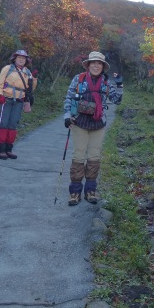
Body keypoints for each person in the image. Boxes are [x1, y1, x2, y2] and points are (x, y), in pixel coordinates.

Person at [63, 51, 123, 205]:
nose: (96, 66)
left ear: (103, 67)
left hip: (98, 124)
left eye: (99, 63)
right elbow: (69, 97)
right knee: (79, 156)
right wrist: (67, 116)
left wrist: (119, 85)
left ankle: (90, 190)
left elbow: (116, 100)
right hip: (79, 122)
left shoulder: (105, 82)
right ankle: (75, 192)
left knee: (94, 157)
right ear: (88, 65)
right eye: (93, 63)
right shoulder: (79, 79)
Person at [0, 49, 37, 160]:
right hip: (6, 100)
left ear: (26, 60)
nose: (21, 60)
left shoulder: (27, 72)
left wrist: (34, 78)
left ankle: (9, 149)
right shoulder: (7, 69)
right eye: (19, 57)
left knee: (13, 125)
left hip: (19, 101)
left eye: (23, 58)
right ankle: (0, 150)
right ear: (15, 58)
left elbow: (30, 89)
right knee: (3, 124)